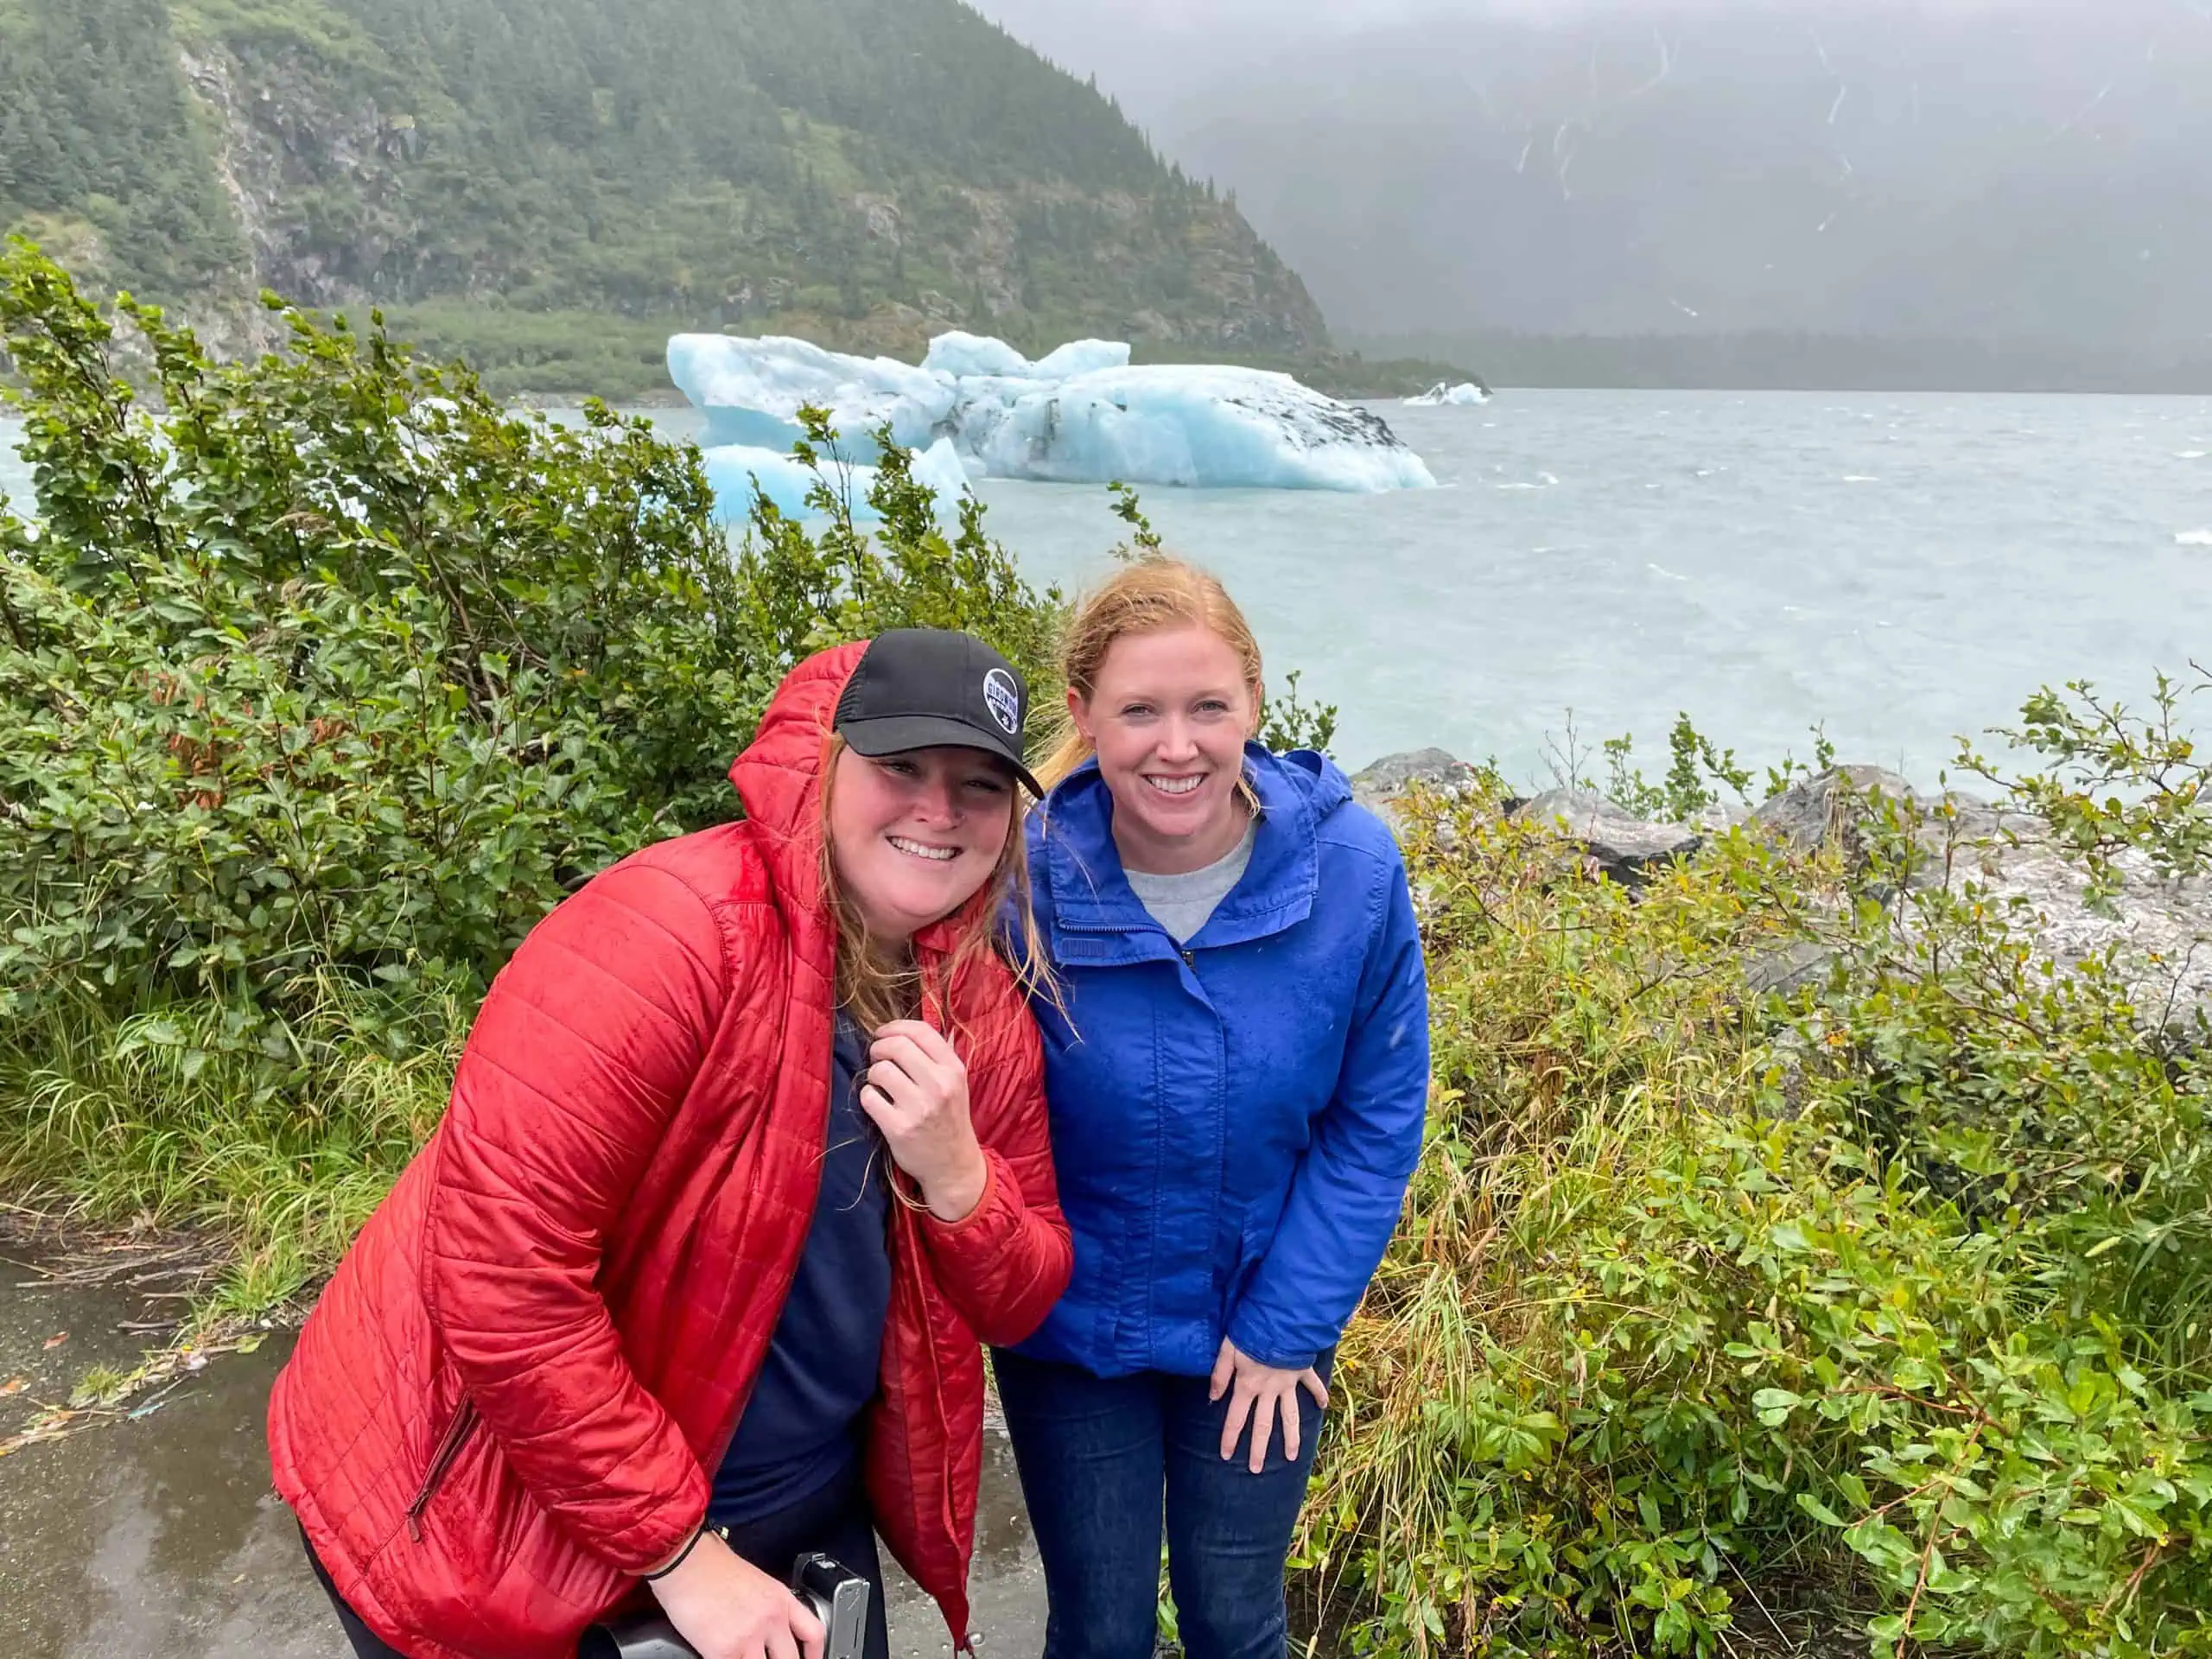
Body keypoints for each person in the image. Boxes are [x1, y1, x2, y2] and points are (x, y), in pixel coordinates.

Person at [267, 629, 1073, 1659]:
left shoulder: (979, 1006)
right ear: (822, 764)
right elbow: (499, 1278)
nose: (938, 811)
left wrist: (962, 1180)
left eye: (979, 785)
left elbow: (1024, 1290)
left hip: (788, 1504)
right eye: (900, 766)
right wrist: (682, 1558)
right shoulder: (673, 933)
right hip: (502, 1510)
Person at [995, 557, 1431, 1659]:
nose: (1175, 745)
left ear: (1254, 705)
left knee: (1235, 1624)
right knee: (1097, 1632)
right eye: (1138, 710)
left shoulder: (1352, 870)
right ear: (1082, 717)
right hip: (1071, 1332)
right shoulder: (1017, 877)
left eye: (1207, 707)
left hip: (1259, 1327)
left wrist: (1291, 1324)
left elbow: (1374, 1119)